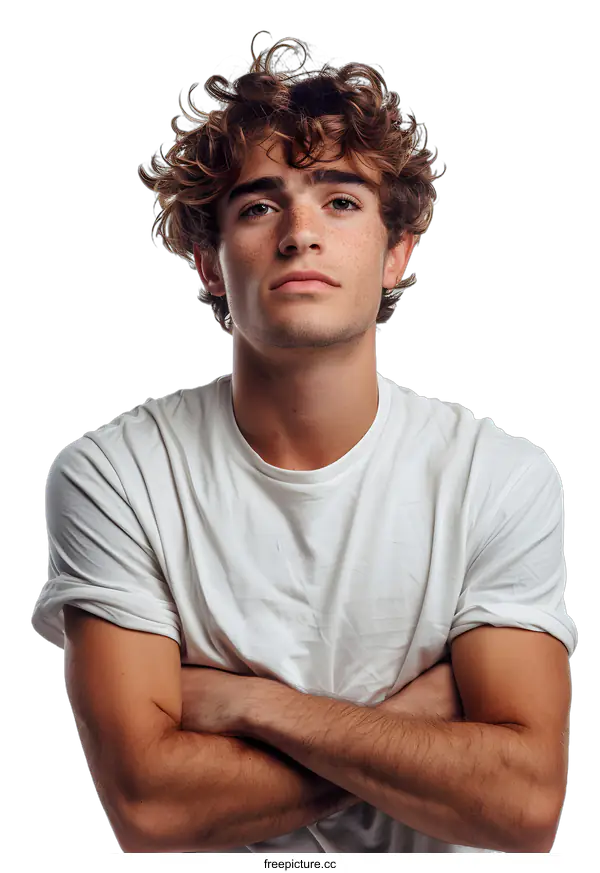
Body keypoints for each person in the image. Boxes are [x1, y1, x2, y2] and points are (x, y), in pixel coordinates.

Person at [31, 37, 575, 853]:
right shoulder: (117, 476)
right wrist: (417, 721)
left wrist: (253, 705)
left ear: (397, 254)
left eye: (341, 201)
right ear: (209, 264)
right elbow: (152, 809)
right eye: (258, 207)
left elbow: (523, 803)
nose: (299, 234)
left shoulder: (497, 479)